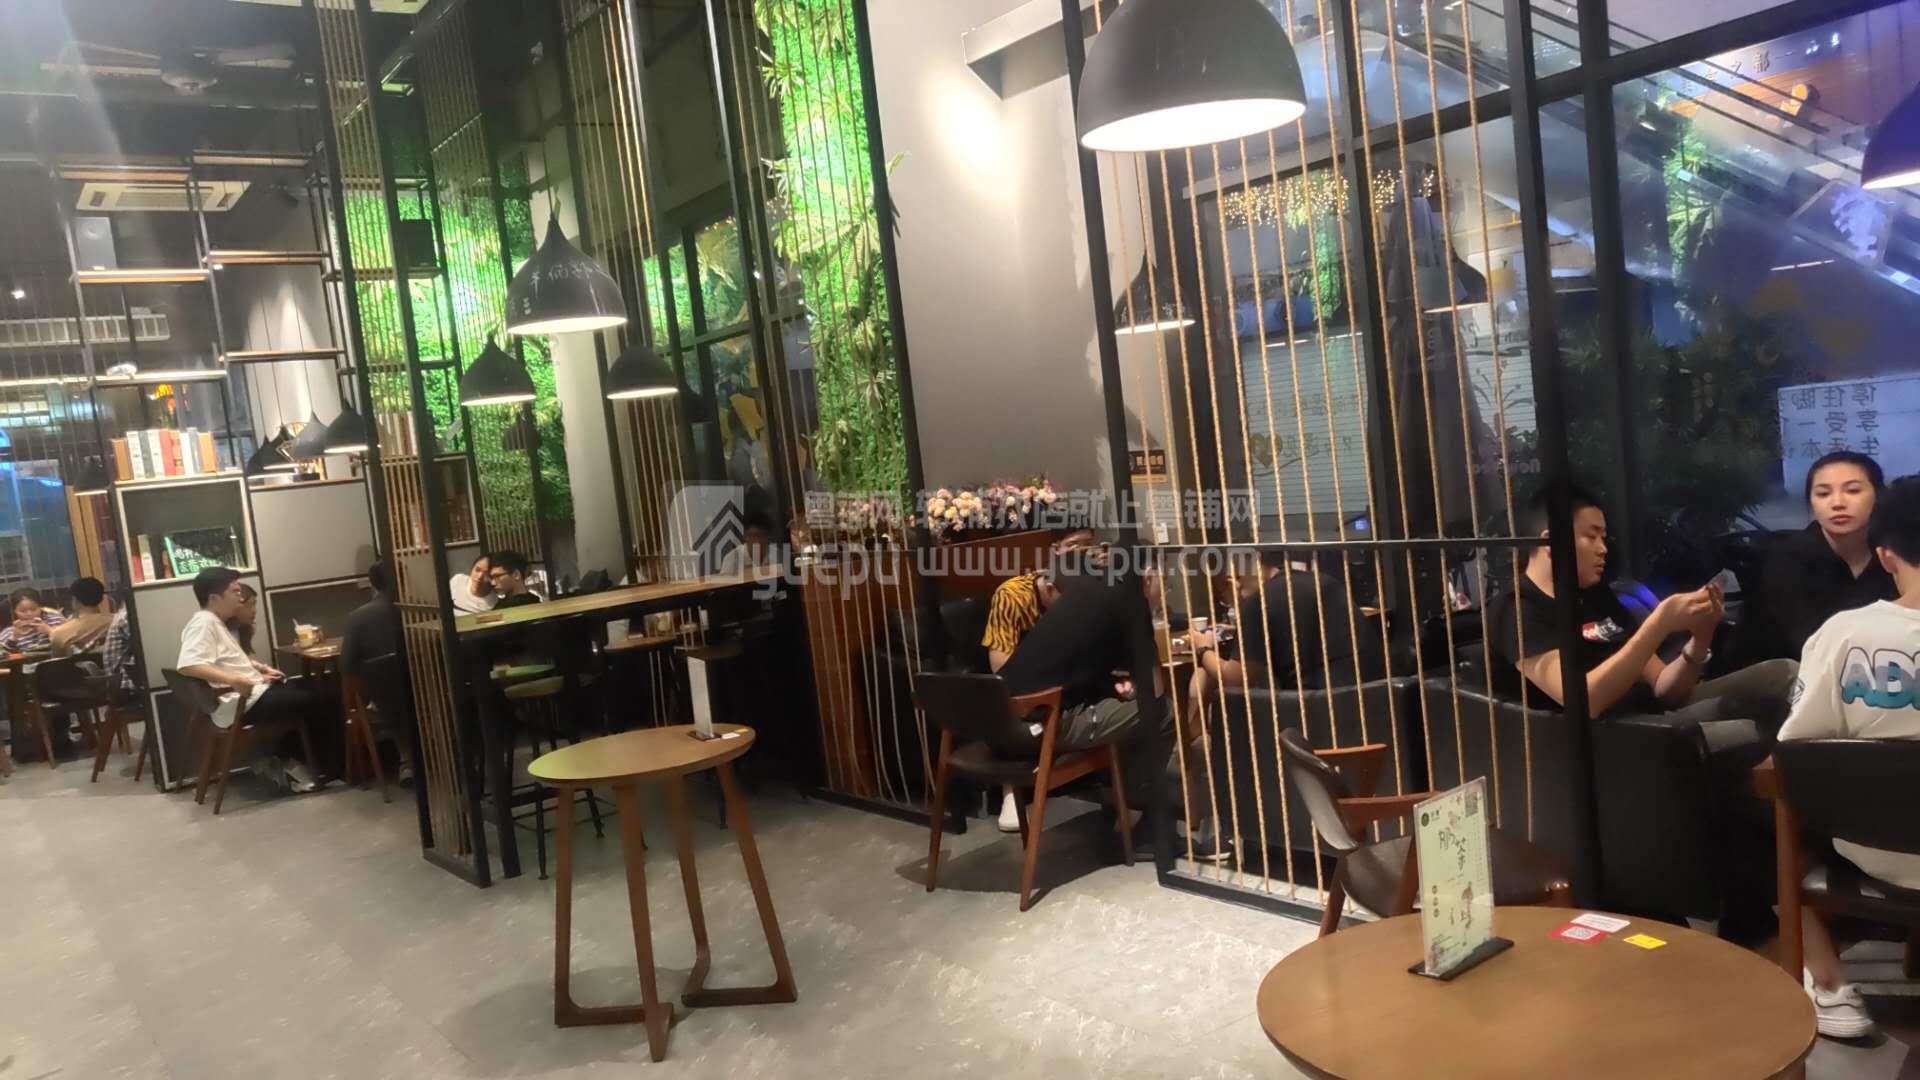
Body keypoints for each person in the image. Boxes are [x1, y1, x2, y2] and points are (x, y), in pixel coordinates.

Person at [1487, 484, 1795, 943]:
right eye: (1592, 536)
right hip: (1622, 742)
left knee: (1783, 675)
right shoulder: (1518, 608)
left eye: (1604, 537)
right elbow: (1583, 699)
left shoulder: (1596, 598)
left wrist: (1700, 638)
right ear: (1551, 541)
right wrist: (1656, 624)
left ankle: (1784, 870)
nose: (1603, 548)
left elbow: (1668, 689)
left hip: (1661, 723)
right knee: (1750, 725)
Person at [1778, 475, 1920, 1040]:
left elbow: (1797, 753)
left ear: (1885, 554)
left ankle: (1830, 986)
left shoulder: (1842, 635)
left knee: (1761, 812)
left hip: (1875, 853)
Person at [1183, 550, 1382, 859]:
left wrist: (1203, 649)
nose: (1230, 591)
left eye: (1228, 583)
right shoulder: (1323, 581)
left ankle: (1233, 834)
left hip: (1313, 719)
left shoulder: (1259, 605)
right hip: (1370, 706)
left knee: (1229, 718)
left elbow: (1236, 677)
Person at [995, 549, 1172, 843]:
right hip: (1038, 726)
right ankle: (1139, 820)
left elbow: (1072, 660)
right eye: (1164, 584)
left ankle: (1121, 803)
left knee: (1130, 709)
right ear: (1148, 576)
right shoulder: (1132, 603)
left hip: (999, 720)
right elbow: (1155, 689)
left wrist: (1117, 687)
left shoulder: (1084, 588)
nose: (1163, 594)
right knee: (1162, 712)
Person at [980, 527, 1096, 830]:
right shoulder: (1013, 595)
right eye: (1075, 545)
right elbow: (1001, 667)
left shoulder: (1088, 586)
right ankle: (1011, 789)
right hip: (1025, 691)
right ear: (1055, 550)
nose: (1083, 553)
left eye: (1089, 545)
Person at [176, 567, 330, 793]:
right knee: (322, 698)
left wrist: (258, 671)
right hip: (244, 702)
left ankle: (295, 762)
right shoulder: (204, 623)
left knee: (310, 691)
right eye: (235, 592)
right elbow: (188, 664)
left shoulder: (214, 621)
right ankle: (314, 767)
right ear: (214, 598)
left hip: (250, 696)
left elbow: (227, 659)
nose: (240, 598)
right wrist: (233, 680)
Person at [1753, 451, 1896, 662]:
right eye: (1823, 494)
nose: (1837, 503)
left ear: (1878, 497)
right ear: (1811, 504)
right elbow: (1803, 644)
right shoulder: (1787, 561)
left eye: (1853, 490)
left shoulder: (1897, 554)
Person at [342, 559, 410, 783]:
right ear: (404, 580)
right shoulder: (419, 608)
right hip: (427, 690)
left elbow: (348, 665)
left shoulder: (358, 617)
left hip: (385, 699)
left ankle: (407, 761)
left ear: (372, 583)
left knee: (386, 691)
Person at [50, 577, 112, 655]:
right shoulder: (115, 622)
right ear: (102, 599)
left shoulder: (59, 633)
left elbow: (58, 660)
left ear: (75, 600)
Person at [0, 588, 65, 652]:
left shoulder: (56, 620)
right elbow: (4, 655)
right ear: (14, 611)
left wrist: (49, 630)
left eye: (33, 609)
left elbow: (68, 642)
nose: (29, 614)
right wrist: (14, 637)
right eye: (23, 611)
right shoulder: (8, 632)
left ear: (40, 607)